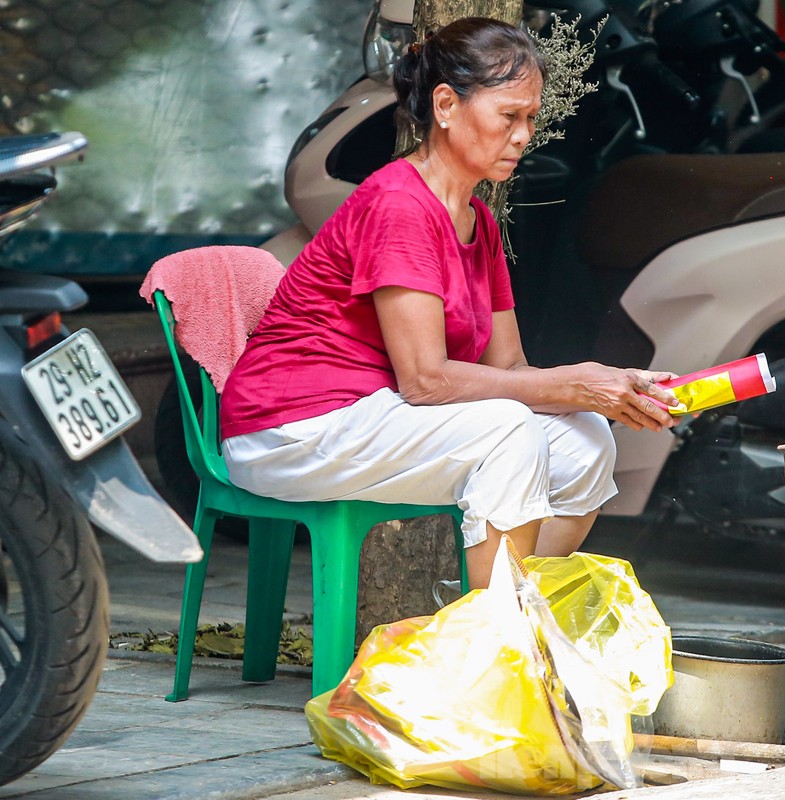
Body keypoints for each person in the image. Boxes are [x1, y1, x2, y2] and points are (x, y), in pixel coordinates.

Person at [219, 16, 681, 590]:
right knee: (508, 429)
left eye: (531, 119)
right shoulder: (399, 204)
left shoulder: (478, 221)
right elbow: (426, 381)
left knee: (585, 438)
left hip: (374, 415)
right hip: (291, 428)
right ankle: (494, 649)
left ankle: (511, 614)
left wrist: (601, 387)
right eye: (508, 115)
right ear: (445, 104)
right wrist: (574, 383)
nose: (522, 135)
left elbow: (508, 369)